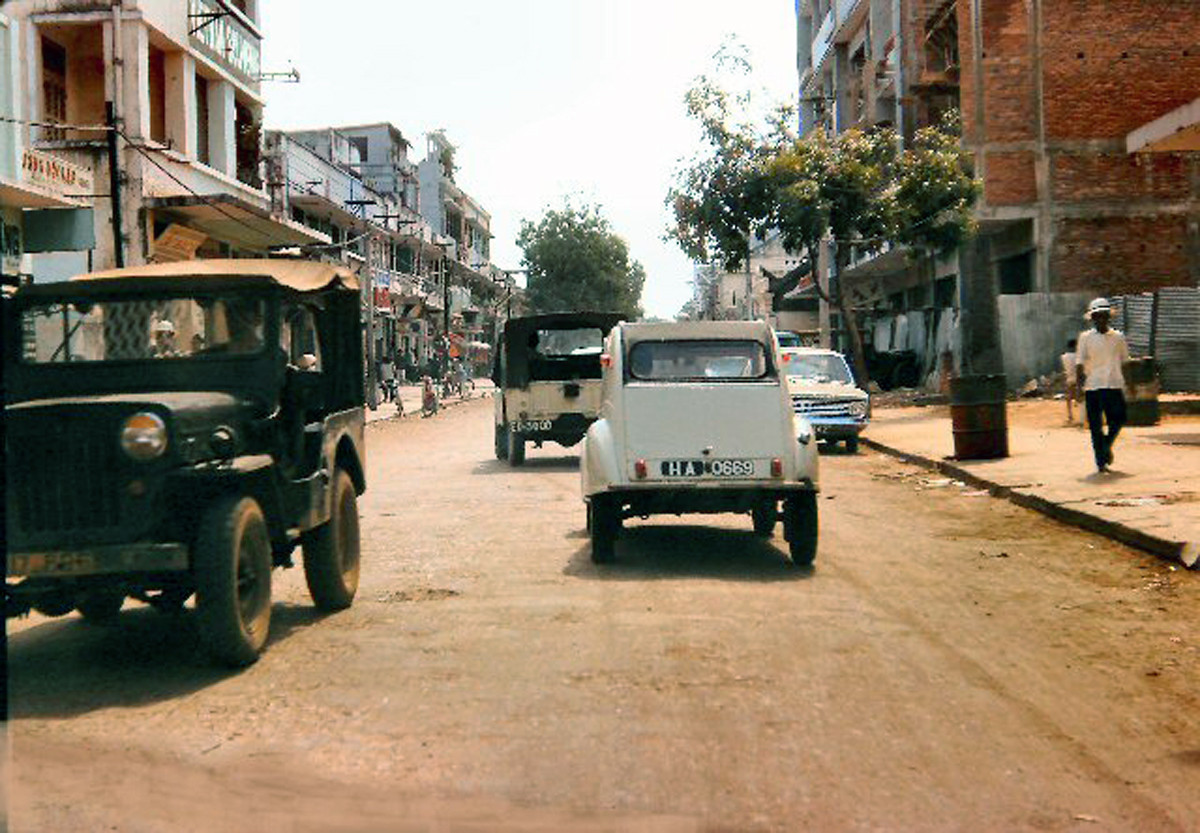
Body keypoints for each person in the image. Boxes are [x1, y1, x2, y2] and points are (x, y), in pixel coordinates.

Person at [1076, 298, 1130, 473]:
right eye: (1097, 316)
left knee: (1119, 419)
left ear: (1108, 317)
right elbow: (1079, 363)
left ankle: (1106, 445)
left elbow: (1125, 361)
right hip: (1093, 386)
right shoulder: (1085, 338)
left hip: (1114, 384)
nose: (1101, 319)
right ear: (1092, 318)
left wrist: (1130, 383)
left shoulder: (1118, 337)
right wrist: (1079, 387)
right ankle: (1100, 460)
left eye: (1104, 316)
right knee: (1095, 426)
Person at [1060, 338, 1078, 424]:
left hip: (1069, 379)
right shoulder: (1078, 356)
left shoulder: (1064, 357)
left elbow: (1064, 369)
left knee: (1069, 398)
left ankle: (1070, 416)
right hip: (1079, 379)